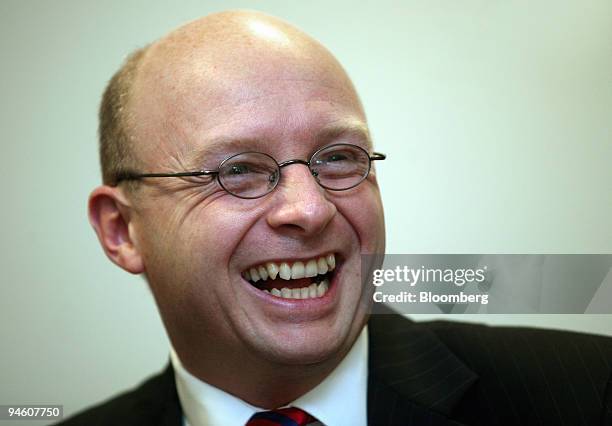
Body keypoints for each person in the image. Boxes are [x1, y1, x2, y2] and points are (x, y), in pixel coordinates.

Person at [60, 10, 612, 426]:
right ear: (121, 230)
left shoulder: (588, 392)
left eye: (338, 158)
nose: (310, 208)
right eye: (239, 170)